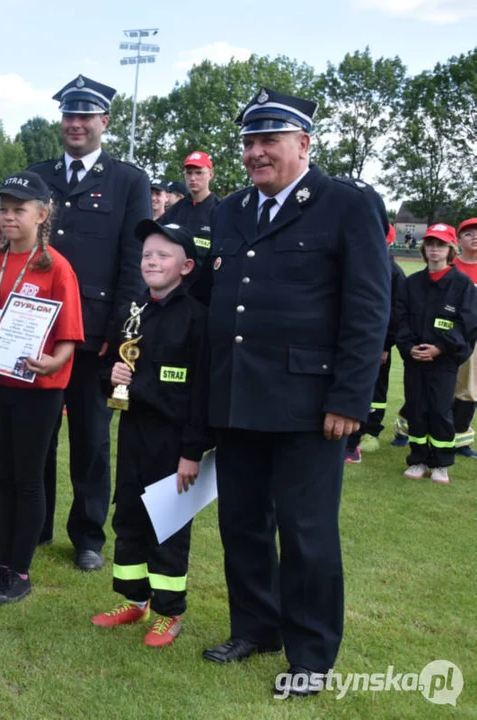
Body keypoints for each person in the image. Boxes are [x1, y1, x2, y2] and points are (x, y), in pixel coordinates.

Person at [202, 87, 390, 696]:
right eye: (249, 143)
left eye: (269, 141)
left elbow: (368, 309)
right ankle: (256, 627)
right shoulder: (229, 210)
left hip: (311, 406)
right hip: (237, 398)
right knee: (243, 524)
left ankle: (311, 654)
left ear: (303, 144)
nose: (255, 153)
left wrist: (349, 400)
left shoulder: (346, 204)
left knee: (307, 532)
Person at [27, 74, 151, 570]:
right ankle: (35, 524)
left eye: (86, 116)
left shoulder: (129, 181)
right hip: (38, 328)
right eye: (69, 115)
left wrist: (119, 334)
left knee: (92, 442)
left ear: (104, 122)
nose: (75, 124)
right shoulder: (37, 175)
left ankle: (87, 536)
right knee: (38, 436)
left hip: (94, 337)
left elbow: (133, 260)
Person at [90, 220, 210, 646]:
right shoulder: (131, 311)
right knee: (129, 516)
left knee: (168, 523)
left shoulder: (198, 319)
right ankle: (134, 600)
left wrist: (192, 452)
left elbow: (202, 394)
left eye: (163, 254)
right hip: (133, 431)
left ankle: (169, 611)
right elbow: (111, 374)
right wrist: (113, 376)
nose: (152, 261)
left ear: (186, 266)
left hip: (175, 439)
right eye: (147, 255)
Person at [0, 172, 83, 604]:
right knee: (2, 477)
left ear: (42, 214)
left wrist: (54, 360)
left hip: (39, 385)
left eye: (20, 210)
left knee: (28, 478)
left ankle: (21, 570)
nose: (8, 217)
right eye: (4, 209)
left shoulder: (56, 266)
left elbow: (70, 333)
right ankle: (0, 565)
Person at [396, 224, 477, 484]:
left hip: (444, 361)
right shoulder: (412, 283)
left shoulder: (463, 285)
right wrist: (409, 347)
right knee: (416, 408)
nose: (434, 249)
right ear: (423, 248)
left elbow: (466, 324)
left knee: (441, 410)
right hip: (415, 359)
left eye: (441, 244)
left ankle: (441, 462)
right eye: (430, 243)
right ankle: (418, 459)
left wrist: (441, 347)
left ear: (451, 249)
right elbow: (400, 319)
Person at [346, 224, 407, 463]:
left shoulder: (394, 272)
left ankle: (370, 431)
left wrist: (385, 344)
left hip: (377, 343)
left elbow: (396, 313)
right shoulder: (358, 264)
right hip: (353, 339)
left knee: (376, 390)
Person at [159, 151, 219, 304]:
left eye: (199, 173)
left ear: (210, 174)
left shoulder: (220, 210)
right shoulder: (176, 210)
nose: (193, 178)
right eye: (189, 173)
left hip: (205, 297)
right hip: (174, 294)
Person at [451, 217, 477, 459]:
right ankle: (409, 428)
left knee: (468, 390)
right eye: (469, 233)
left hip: (474, 339)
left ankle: (459, 439)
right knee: (433, 384)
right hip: (448, 335)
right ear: (459, 240)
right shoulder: (450, 266)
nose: (475, 237)